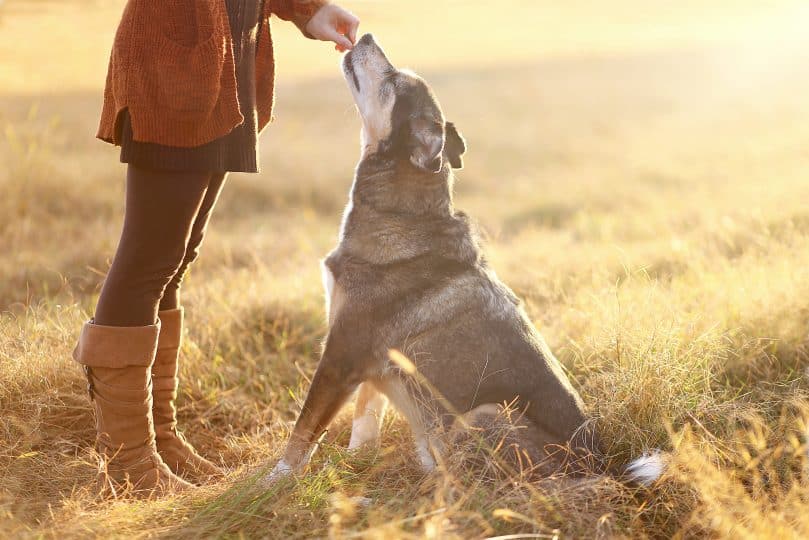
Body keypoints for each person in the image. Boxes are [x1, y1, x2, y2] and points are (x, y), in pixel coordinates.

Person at [72, 0, 360, 497]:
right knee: (149, 260)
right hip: (173, 63)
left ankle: (159, 436)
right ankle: (129, 462)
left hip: (228, 59)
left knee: (176, 259)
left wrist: (304, 9)